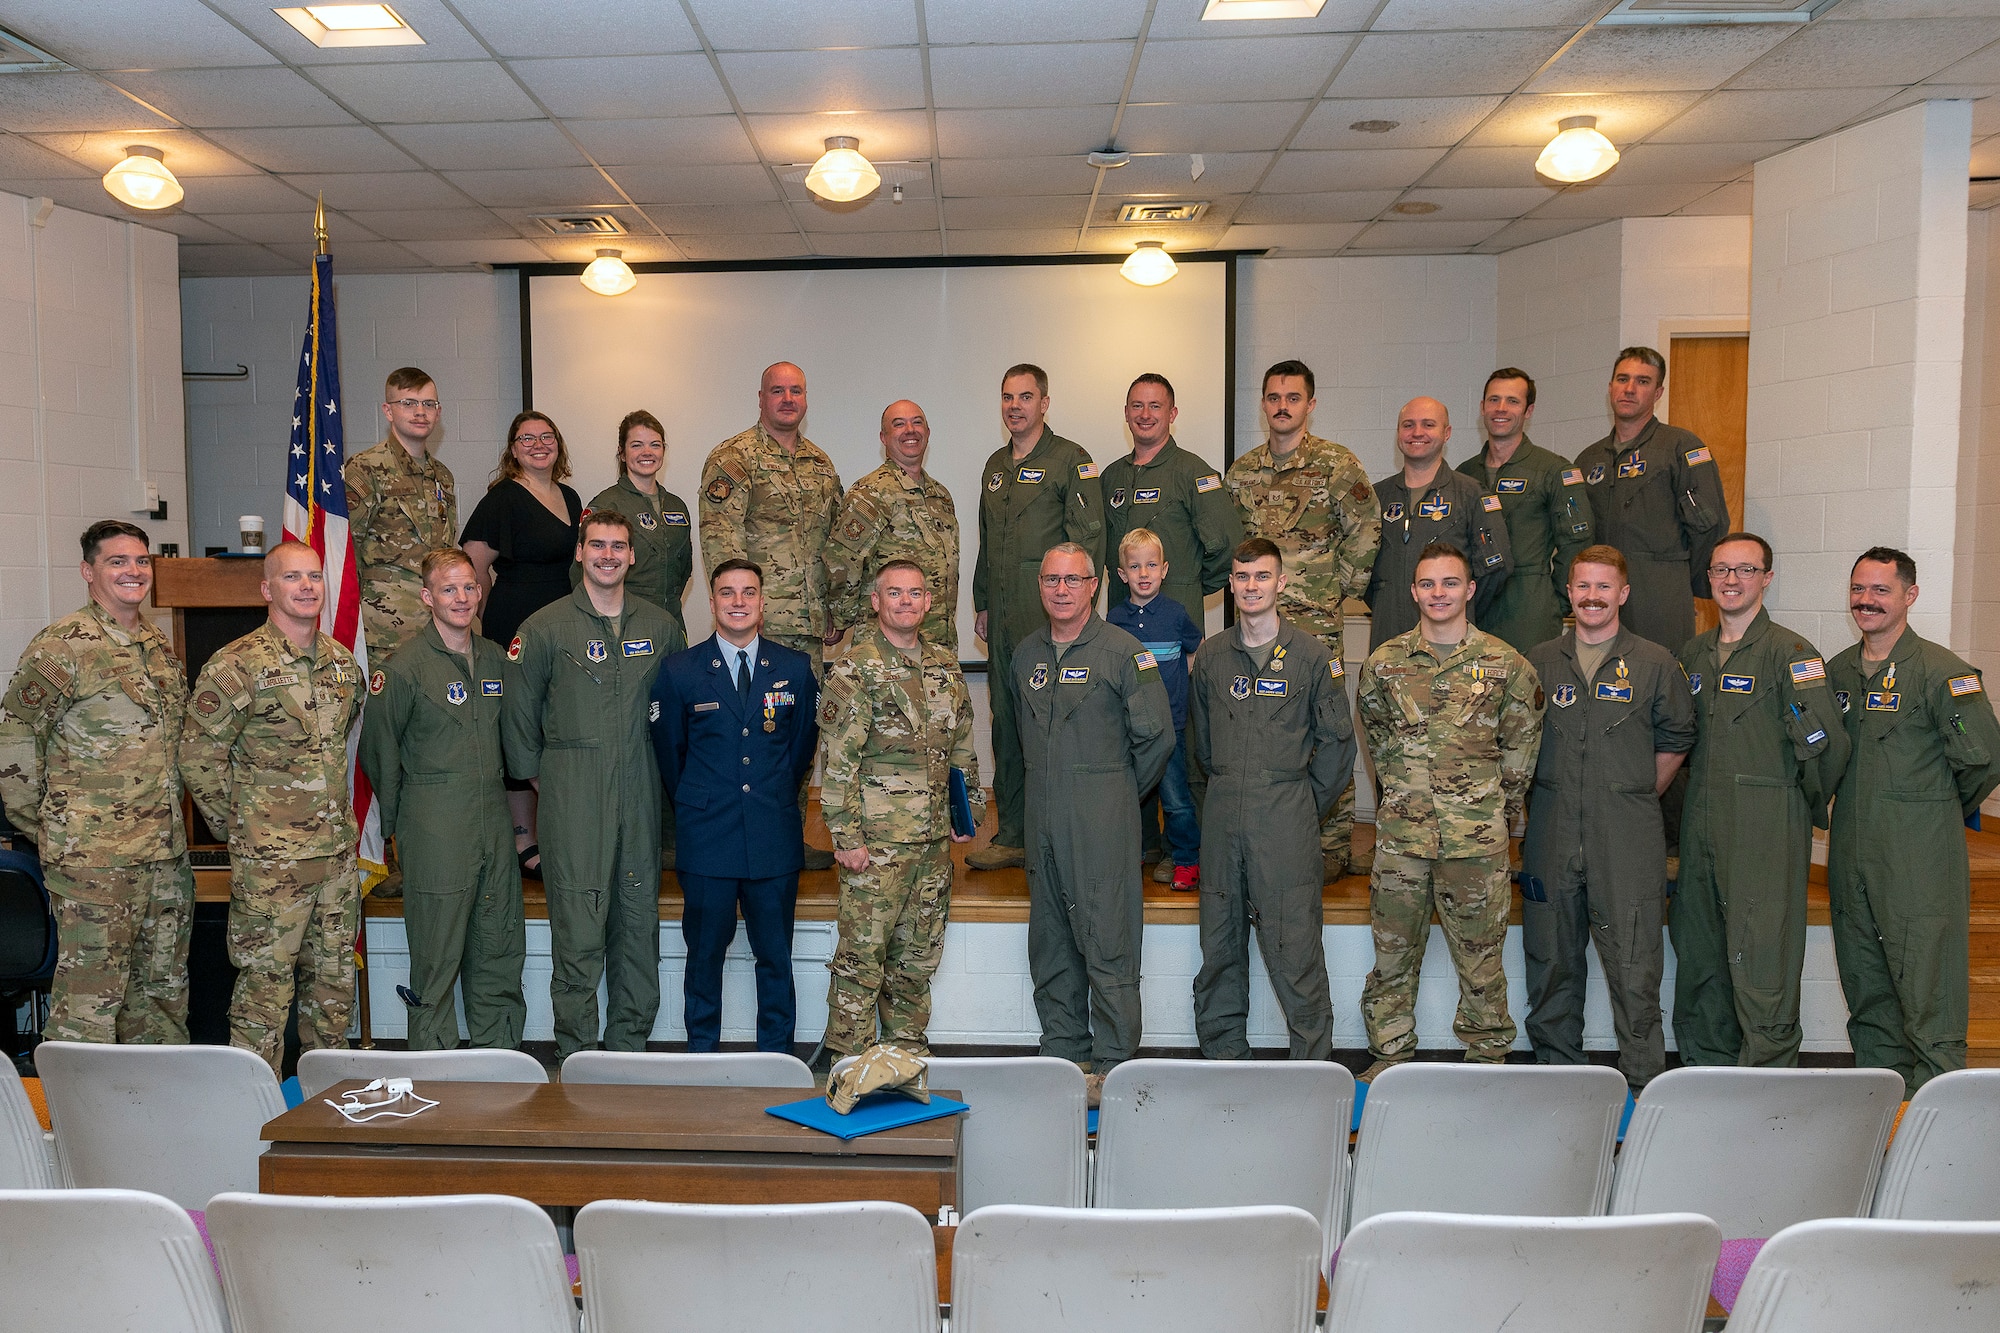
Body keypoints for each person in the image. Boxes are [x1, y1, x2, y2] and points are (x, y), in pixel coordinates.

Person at [0, 520, 191, 1044]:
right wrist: (50, 828)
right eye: (117, 562)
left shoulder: (156, 644)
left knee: (161, 997)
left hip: (163, 855)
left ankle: (154, 1114)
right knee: (90, 1004)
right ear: (88, 571)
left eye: (141, 561)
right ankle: (78, 1124)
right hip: (93, 858)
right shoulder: (64, 646)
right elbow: (16, 738)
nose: (133, 571)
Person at [501, 511, 682, 1058]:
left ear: (632, 556)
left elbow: (677, 712)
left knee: (636, 928)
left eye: (619, 546)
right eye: (597, 545)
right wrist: (553, 778)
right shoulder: (544, 628)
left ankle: (628, 1049)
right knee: (578, 933)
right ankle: (577, 1053)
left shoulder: (661, 627)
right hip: (572, 797)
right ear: (579, 552)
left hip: (642, 795)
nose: (608, 555)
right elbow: (518, 717)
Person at [1358, 542, 1542, 1077]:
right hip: (1401, 840)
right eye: (1428, 584)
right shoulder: (1384, 664)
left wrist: (1492, 813)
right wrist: (1402, 795)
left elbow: (1520, 748)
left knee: (1482, 958)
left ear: (1470, 589)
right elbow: (1377, 740)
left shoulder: (1506, 664)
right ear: (1414, 591)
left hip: (1476, 840)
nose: (1439, 594)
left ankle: (1487, 1055)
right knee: (1392, 956)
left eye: (1450, 583)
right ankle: (1389, 1057)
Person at [181, 541, 363, 1074]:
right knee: (264, 993)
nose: (306, 586)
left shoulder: (341, 665)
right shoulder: (237, 666)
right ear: (267, 589)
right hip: (271, 864)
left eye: (314, 577)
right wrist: (240, 827)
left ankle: (326, 1106)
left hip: (334, 857)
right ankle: (247, 1111)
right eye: (292, 578)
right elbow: (198, 757)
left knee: (333, 989)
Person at [1522, 545, 1694, 1090]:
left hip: (1627, 834)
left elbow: (1676, 738)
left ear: (1622, 593)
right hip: (1551, 828)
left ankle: (1643, 1079)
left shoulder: (1655, 662)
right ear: (1569, 593)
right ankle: (1558, 1073)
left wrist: (1633, 792)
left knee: (1634, 960)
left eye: (1603, 587)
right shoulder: (1540, 661)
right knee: (1550, 955)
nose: (1592, 597)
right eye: (1582, 586)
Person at [1828, 547, 2000, 1092]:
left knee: (1928, 987)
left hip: (1919, 856)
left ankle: (1938, 1124)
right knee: (1867, 986)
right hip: (1852, 849)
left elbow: (1983, 760)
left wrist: (1928, 807)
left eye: (1881, 589)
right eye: (1859, 589)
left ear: (1910, 595)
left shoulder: (1942, 672)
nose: (1867, 600)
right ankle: (1883, 1109)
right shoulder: (1837, 672)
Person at [1673, 532, 1847, 1067]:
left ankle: (1769, 1082)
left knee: (1763, 951)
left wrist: (1793, 807)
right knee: (1699, 949)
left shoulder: (1791, 654)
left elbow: (1828, 747)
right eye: (1722, 570)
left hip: (1765, 824)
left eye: (1745, 570)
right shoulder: (1693, 653)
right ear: (1708, 580)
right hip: (1700, 820)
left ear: (1766, 579)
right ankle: (1706, 1074)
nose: (1731, 580)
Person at [1013, 543, 1174, 1089]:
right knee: (1052, 940)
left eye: (1073, 580)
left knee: (1107, 940)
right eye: (1051, 580)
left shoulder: (1123, 653)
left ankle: (1112, 1067)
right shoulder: (1025, 655)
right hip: (1043, 819)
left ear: (1094, 586)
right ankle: (1064, 1057)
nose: (1062, 590)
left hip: (1102, 817)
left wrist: (1113, 793)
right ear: (1040, 587)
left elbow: (1156, 739)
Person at [1189, 538, 1356, 1060]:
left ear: (1281, 582)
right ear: (1231, 584)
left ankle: (1311, 1070)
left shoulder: (1312, 657)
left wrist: (1301, 807)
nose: (1251, 586)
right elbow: (1201, 745)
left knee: (1295, 952)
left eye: (1262, 576)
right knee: (1218, 948)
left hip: (1285, 820)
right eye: (1241, 577)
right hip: (1222, 819)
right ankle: (1224, 1062)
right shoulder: (1213, 656)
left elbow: (1336, 748)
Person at [814, 560, 981, 1070]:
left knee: (916, 960)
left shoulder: (946, 667)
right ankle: (846, 1065)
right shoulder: (855, 667)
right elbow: (837, 759)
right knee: (862, 962)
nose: (906, 601)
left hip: (931, 845)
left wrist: (964, 810)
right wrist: (845, 838)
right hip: (876, 844)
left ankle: (906, 1060)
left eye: (915, 593)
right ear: (876, 602)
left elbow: (962, 749)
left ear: (929, 602)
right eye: (895, 593)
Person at [357, 547, 526, 1051]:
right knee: (436, 951)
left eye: (469, 587)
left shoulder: (496, 657)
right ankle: (434, 1059)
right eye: (448, 589)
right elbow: (379, 752)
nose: (461, 597)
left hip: (492, 821)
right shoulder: (403, 668)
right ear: (428, 597)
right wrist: (394, 830)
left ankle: (500, 1055)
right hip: (433, 823)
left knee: (498, 942)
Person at [651, 559, 820, 1053]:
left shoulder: (793, 668)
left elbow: (799, 749)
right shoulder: (680, 671)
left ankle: (777, 1058)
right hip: (708, 839)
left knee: (775, 957)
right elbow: (671, 755)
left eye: (749, 592)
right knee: (704, 956)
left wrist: (767, 792)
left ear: (763, 602)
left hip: (772, 835)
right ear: (712, 603)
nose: (739, 602)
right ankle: (701, 1053)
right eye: (728, 593)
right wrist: (707, 801)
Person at [1225, 360, 1380, 878]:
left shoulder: (1338, 466)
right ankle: (1270, 832)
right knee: (1265, 726)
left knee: (1325, 728)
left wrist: (1338, 594)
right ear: (1263, 403)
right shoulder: (1243, 471)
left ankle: (1331, 845)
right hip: (1255, 630)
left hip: (1315, 625)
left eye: (1293, 397)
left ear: (1310, 403)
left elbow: (1365, 533)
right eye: (1273, 397)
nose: (1282, 406)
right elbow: (1235, 545)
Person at [699, 362, 842, 870]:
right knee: (749, 739)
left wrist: (836, 608)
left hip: (806, 632)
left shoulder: (821, 465)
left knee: (801, 735)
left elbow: (837, 548)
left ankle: (788, 835)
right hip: (754, 629)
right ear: (760, 397)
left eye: (796, 390)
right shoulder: (734, 458)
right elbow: (720, 540)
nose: (787, 398)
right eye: (777, 390)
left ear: (806, 399)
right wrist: (738, 612)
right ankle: (742, 835)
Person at [1101, 372, 1243, 877]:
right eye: (1136, 405)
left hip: (1171, 631)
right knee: (1129, 736)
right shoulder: (1112, 477)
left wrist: (1183, 588)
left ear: (1172, 413)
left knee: (1180, 747)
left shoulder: (1193, 473)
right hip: (1122, 631)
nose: (1145, 414)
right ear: (1126, 412)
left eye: (1155, 406)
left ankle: (1186, 849)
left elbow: (1226, 547)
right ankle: (1144, 845)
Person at [968, 364, 1106, 872]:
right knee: (1006, 719)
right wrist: (983, 601)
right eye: (1007, 397)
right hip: (1003, 613)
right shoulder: (994, 465)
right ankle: (1013, 833)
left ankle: (1062, 830)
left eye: (1026, 397)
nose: (1015, 406)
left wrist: (1071, 605)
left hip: (1048, 611)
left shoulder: (1072, 460)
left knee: (1054, 720)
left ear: (1045, 403)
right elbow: (986, 540)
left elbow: (1087, 541)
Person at [461, 411, 583, 879]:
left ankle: (550, 830)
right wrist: (486, 627)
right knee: (520, 728)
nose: (537, 444)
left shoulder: (569, 496)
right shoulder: (503, 500)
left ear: (558, 445)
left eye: (546, 436)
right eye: (526, 438)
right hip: (517, 626)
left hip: (564, 628)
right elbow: (474, 569)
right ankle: (521, 838)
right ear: (512, 449)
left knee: (554, 726)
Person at [1573, 347, 1730, 650]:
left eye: (1643, 382)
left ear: (1658, 392)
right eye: (1623, 379)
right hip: (1601, 591)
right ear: (1610, 387)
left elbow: (1709, 525)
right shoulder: (1589, 458)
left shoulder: (1680, 447)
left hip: (1660, 590)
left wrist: (1689, 583)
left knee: (1660, 675)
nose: (1630, 389)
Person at [1456, 368, 1595, 653]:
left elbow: (1577, 544)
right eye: (1494, 400)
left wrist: (1556, 600)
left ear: (1529, 410)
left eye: (1513, 401)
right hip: (1473, 605)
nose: (1501, 408)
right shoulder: (1465, 474)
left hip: (1529, 608)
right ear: (1482, 407)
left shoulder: (1553, 470)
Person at [1367, 396, 1512, 652]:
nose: (1417, 433)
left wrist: (1455, 606)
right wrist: (1389, 599)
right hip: (1388, 637)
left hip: (1451, 642)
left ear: (1447, 433)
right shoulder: (1377, 498)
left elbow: (1495, 570)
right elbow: (1364, 574)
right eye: (1408, 425)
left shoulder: (1471, 494)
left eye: (1428, 425)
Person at [1106, 529, 1204, 889]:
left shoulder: (1177, 614)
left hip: (1171, 725)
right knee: (1127, 794)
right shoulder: (1114, 620)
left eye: (1150, 565)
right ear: (1122, 574)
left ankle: (1186, 859)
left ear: (1164, 570)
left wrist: (1183, 689)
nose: (1143, 573)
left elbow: (1196, 651)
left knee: (1176, 798)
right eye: (1135, 566)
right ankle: (1127, 854)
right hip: (1128, 728)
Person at [824, 399, 959, 653]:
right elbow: (842, 560)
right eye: (899, 425)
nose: (910, 430)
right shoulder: (870, 493)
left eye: (917, 422)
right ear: (883, 437)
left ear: (928, 433)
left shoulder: (940, 495)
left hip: (938, 643)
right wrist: (841, 617)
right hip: (885, 645)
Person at [344, 367, 458, 655]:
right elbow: (347, 548)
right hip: (384, 629)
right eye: (408, 403)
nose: (420, 412)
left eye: (428, 404)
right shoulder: (365, 468)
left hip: (436, 624)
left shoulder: (442, 475)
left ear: (438, 411)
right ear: (388, 411)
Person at [572, 409, 693, 635]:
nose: (647, 452)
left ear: (663, 451)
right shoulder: (606, 505)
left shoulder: (677, 507)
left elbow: (684, 569)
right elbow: (580, 573)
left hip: (672, 622)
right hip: (623, 624)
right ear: (622, 453)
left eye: (655, 445)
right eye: (637, 445)